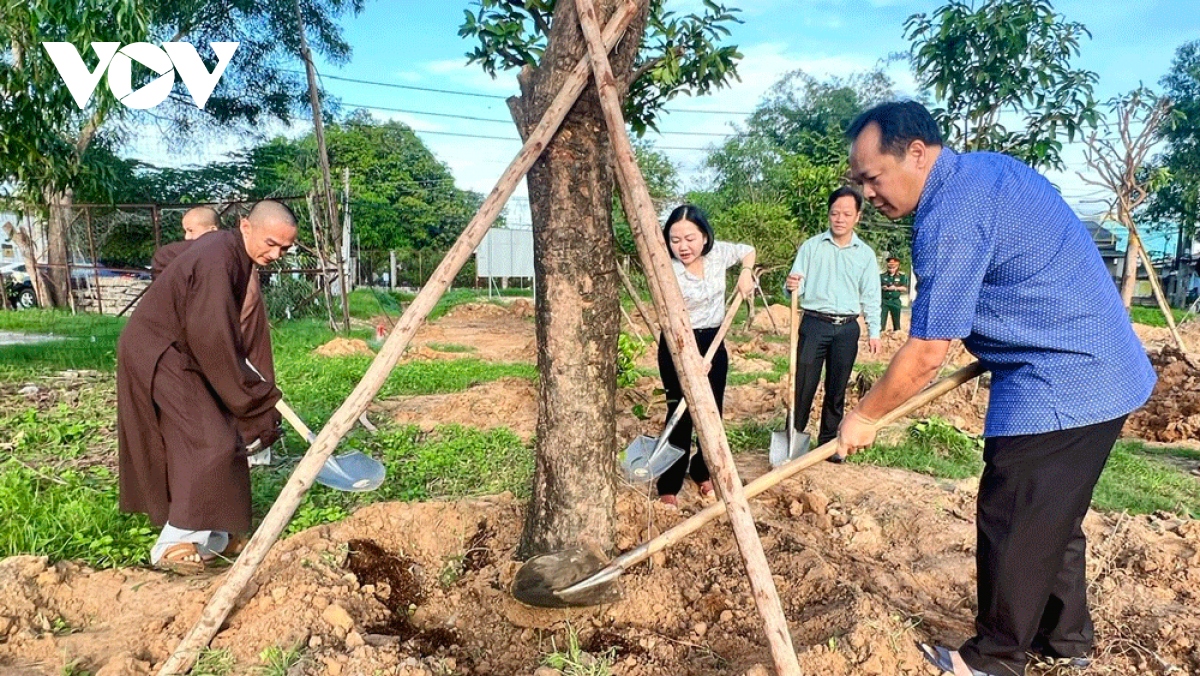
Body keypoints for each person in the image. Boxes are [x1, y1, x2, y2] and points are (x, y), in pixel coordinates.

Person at [838, 101, 1156, 676]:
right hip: (1099, 367)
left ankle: (996, 659)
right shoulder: (983, 171)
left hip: (1065, 376)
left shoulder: (952, 211)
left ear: (915, 153)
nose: (867, 194)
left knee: (1014, 514)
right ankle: (1066, 642)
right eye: (859, 182)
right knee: (1050, 514)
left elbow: (928, 353)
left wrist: (864, 415)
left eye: (872, 177)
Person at [117, 200, 298, 572]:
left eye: (284, 249)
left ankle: (215, 534)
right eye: (271, 243)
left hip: (185, 348)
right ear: (245, 226)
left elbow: (176, 264)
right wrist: (254, 399)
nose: (275, 254)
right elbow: (215, 339)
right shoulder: (219, 257)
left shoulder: (230, 251)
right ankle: (175, 541)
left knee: (222, 433)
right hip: (161, 350)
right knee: (209, 439)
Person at [657, 204, 756, 507]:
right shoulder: (665, 267)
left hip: (714, 339)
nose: (682, 246)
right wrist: (690, 357)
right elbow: (670, 316)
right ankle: (669, 483)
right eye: (675, 240)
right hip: (677, 341)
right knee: (681, 412)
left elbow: (748, 250)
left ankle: (703, 470)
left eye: (689, 238)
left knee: (711, 411)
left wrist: (746, 273)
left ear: (704, 236)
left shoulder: (718, 255)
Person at [784, 186, 881, 459]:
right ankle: (793, 441)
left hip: (847, 329)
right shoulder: (811, 247)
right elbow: (794, 287)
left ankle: (828, 446)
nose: (839, 218)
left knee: (836, 389)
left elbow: (872, 295)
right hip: (814, 324)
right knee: (802, 386)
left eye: (846, 214)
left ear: (857, 217)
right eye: (835, 213)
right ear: (828, 215)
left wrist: (875, 331)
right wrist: (790, 285)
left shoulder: (865, 255)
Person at [880, 256, 909, 332]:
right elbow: (876, 287)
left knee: (896, 323)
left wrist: (895, 288)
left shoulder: (901, 276)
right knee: (881, 322)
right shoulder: (882, 276)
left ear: (897, 266)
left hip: (895, 301)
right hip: (884, 301)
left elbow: (905, 288)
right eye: (890, 268)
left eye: (893, 268)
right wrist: (883, 287)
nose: (891, 269)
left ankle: (897, 336)